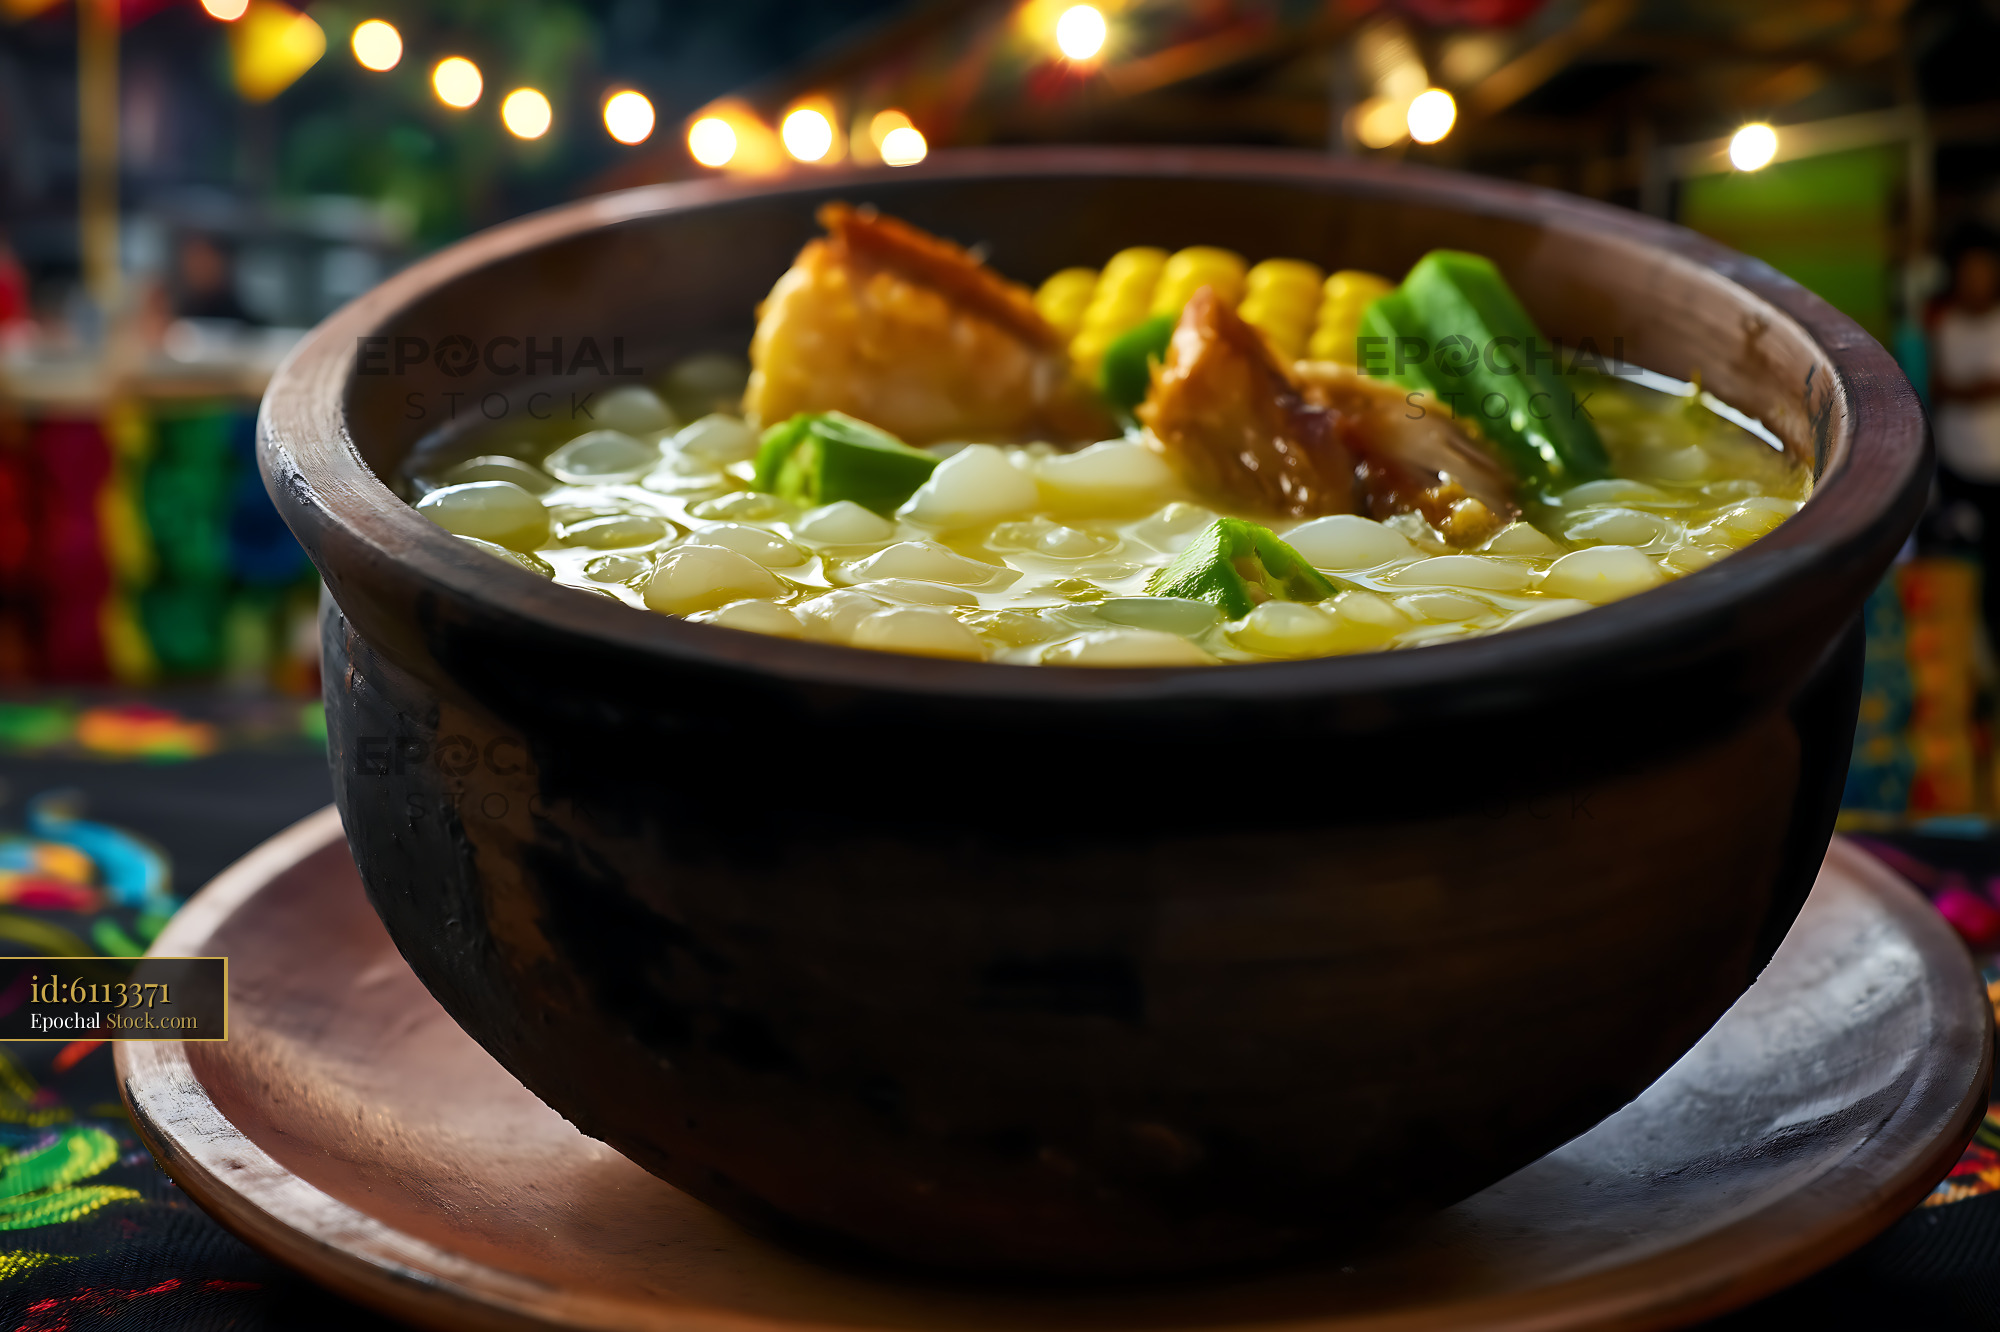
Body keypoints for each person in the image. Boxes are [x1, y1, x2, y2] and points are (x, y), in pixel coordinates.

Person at [1933, 242, 2000, 634]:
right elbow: (1940, 388)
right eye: (1967, 272)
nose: (1974, 281)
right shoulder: (1947, 325)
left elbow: (1982, 388)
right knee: (1957, 563)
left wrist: (1965, 390)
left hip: (1996, 470)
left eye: (1982, 271)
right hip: (1957, 464)